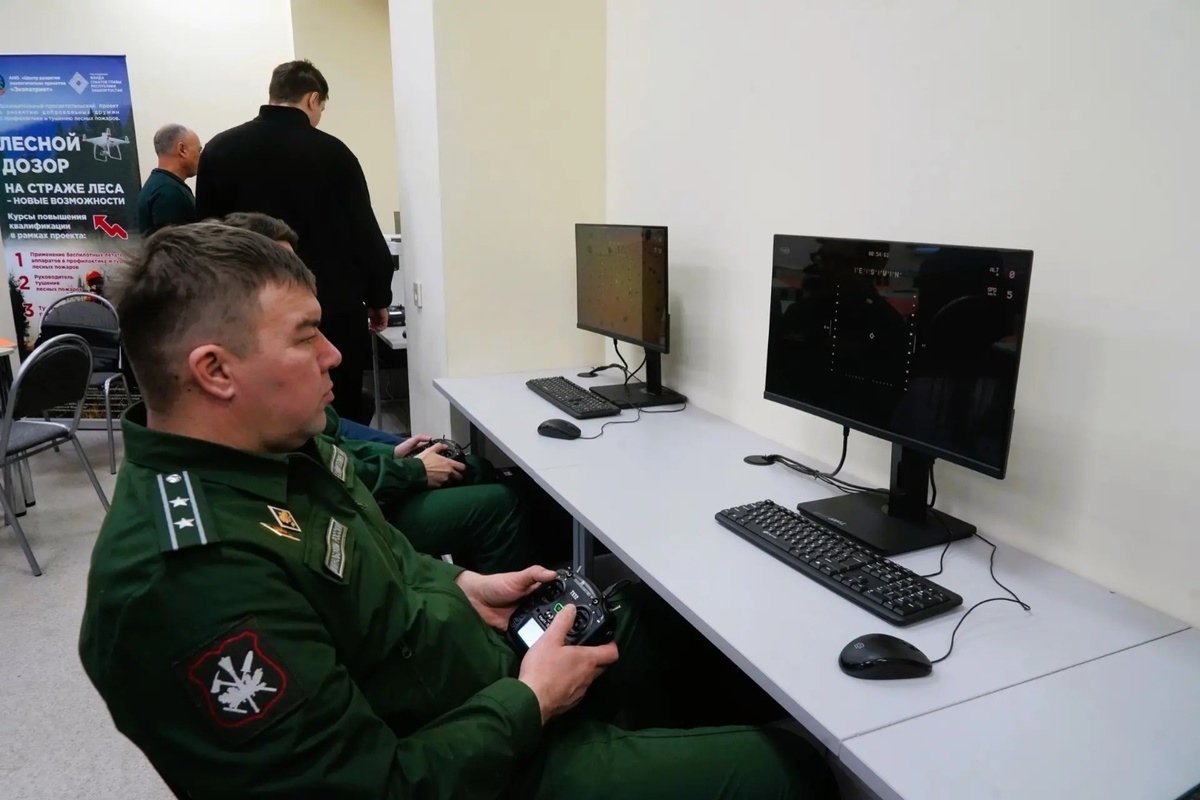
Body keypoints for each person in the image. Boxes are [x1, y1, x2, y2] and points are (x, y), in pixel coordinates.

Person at [78, 223, 835, 799]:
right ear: (215, 371)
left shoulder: (273, 452)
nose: (334, 354)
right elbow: (370, 787)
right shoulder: (190, 580)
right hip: (487, 758)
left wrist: (463, 586)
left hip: (485, 676)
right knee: (788, 769)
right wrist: (531, 702)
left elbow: (379, 559)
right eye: (306, 337)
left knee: (672, 630)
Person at [218, 210, 539, 573]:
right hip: (350, 509)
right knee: (497, 502)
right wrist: (412, 471)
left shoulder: (280, 398)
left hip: (356, 487)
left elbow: (332, 449)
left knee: (471, 466)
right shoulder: (264, 401)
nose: (332, 356)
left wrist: (395, 454)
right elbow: (327, 474)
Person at [195, 59, 392, 424]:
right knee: (338, 411)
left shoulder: (219, 150)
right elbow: (364, 232)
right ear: (313, 99)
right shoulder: (335, 154)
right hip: (329, 308)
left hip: (246, 312)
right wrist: (379, 296)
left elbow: (205, 237)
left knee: (259, 415)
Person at [137, 124, 201, 235]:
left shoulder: (157, 185)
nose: (201, 156)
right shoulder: (169, 192)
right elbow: (175, 244)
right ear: (182, 149)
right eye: (199, 151)